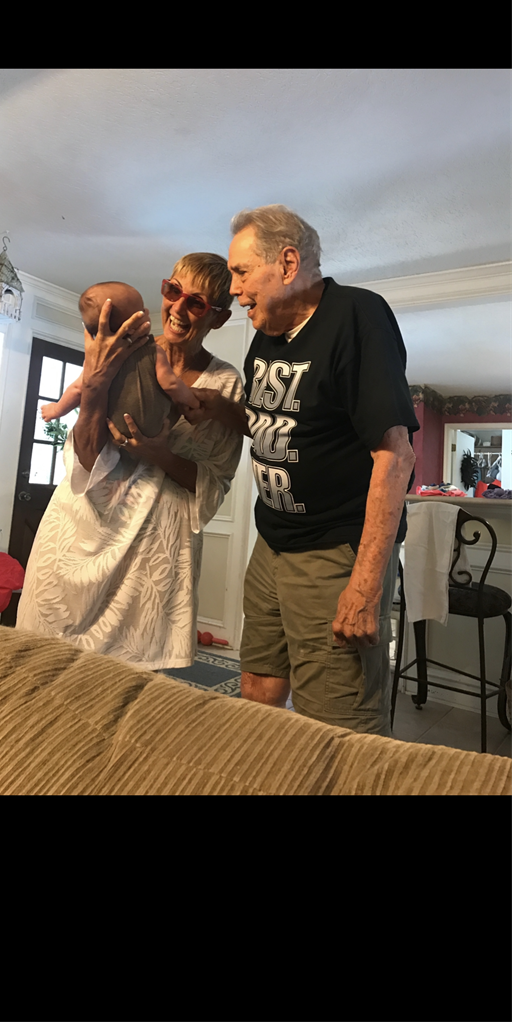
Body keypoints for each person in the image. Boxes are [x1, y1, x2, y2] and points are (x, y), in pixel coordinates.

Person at [188, 206, 418, 735]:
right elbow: (276, 424)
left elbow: (395, 454)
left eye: (242, 273)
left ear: (288, 262)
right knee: (257, 691)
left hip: (335, 550)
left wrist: (363, 587)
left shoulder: (357, 317)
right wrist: (219, 408)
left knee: (338, 726)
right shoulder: (267, 333)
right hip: (272, 542)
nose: (235, 290)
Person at [16, 254, 244, 670]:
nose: (176, 308)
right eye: (172, 291)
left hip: (151, 569)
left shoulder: (224, 385)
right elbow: (85, 458)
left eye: (195, 303)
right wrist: (94, 388)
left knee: (135, 708)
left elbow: (214, 482)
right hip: (75, 543)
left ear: (219, 317)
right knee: (42, 690)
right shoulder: (124, 354)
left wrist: (156, 452)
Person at [41, 280, 200, 439]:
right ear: (132, 327)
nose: (147, 311)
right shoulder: (154, 351)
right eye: (141, 312)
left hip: (113, 430)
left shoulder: (96, 361)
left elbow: (77, 389)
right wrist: (193, 402)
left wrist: (56, 410)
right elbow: (171, 383)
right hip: (152, 430)